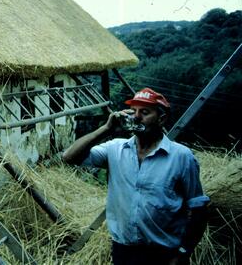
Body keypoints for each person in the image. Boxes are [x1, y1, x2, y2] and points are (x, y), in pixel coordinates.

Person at [62, 88, 209, 265]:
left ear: (161, 119)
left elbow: (198, 209)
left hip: (165, 254)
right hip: (123, 251)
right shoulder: (115, 148)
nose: (136, 117)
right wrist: (106, 128)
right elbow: (69, 157)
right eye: (134, 112)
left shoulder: (182, 157)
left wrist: (183, 252)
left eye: (145, 112)